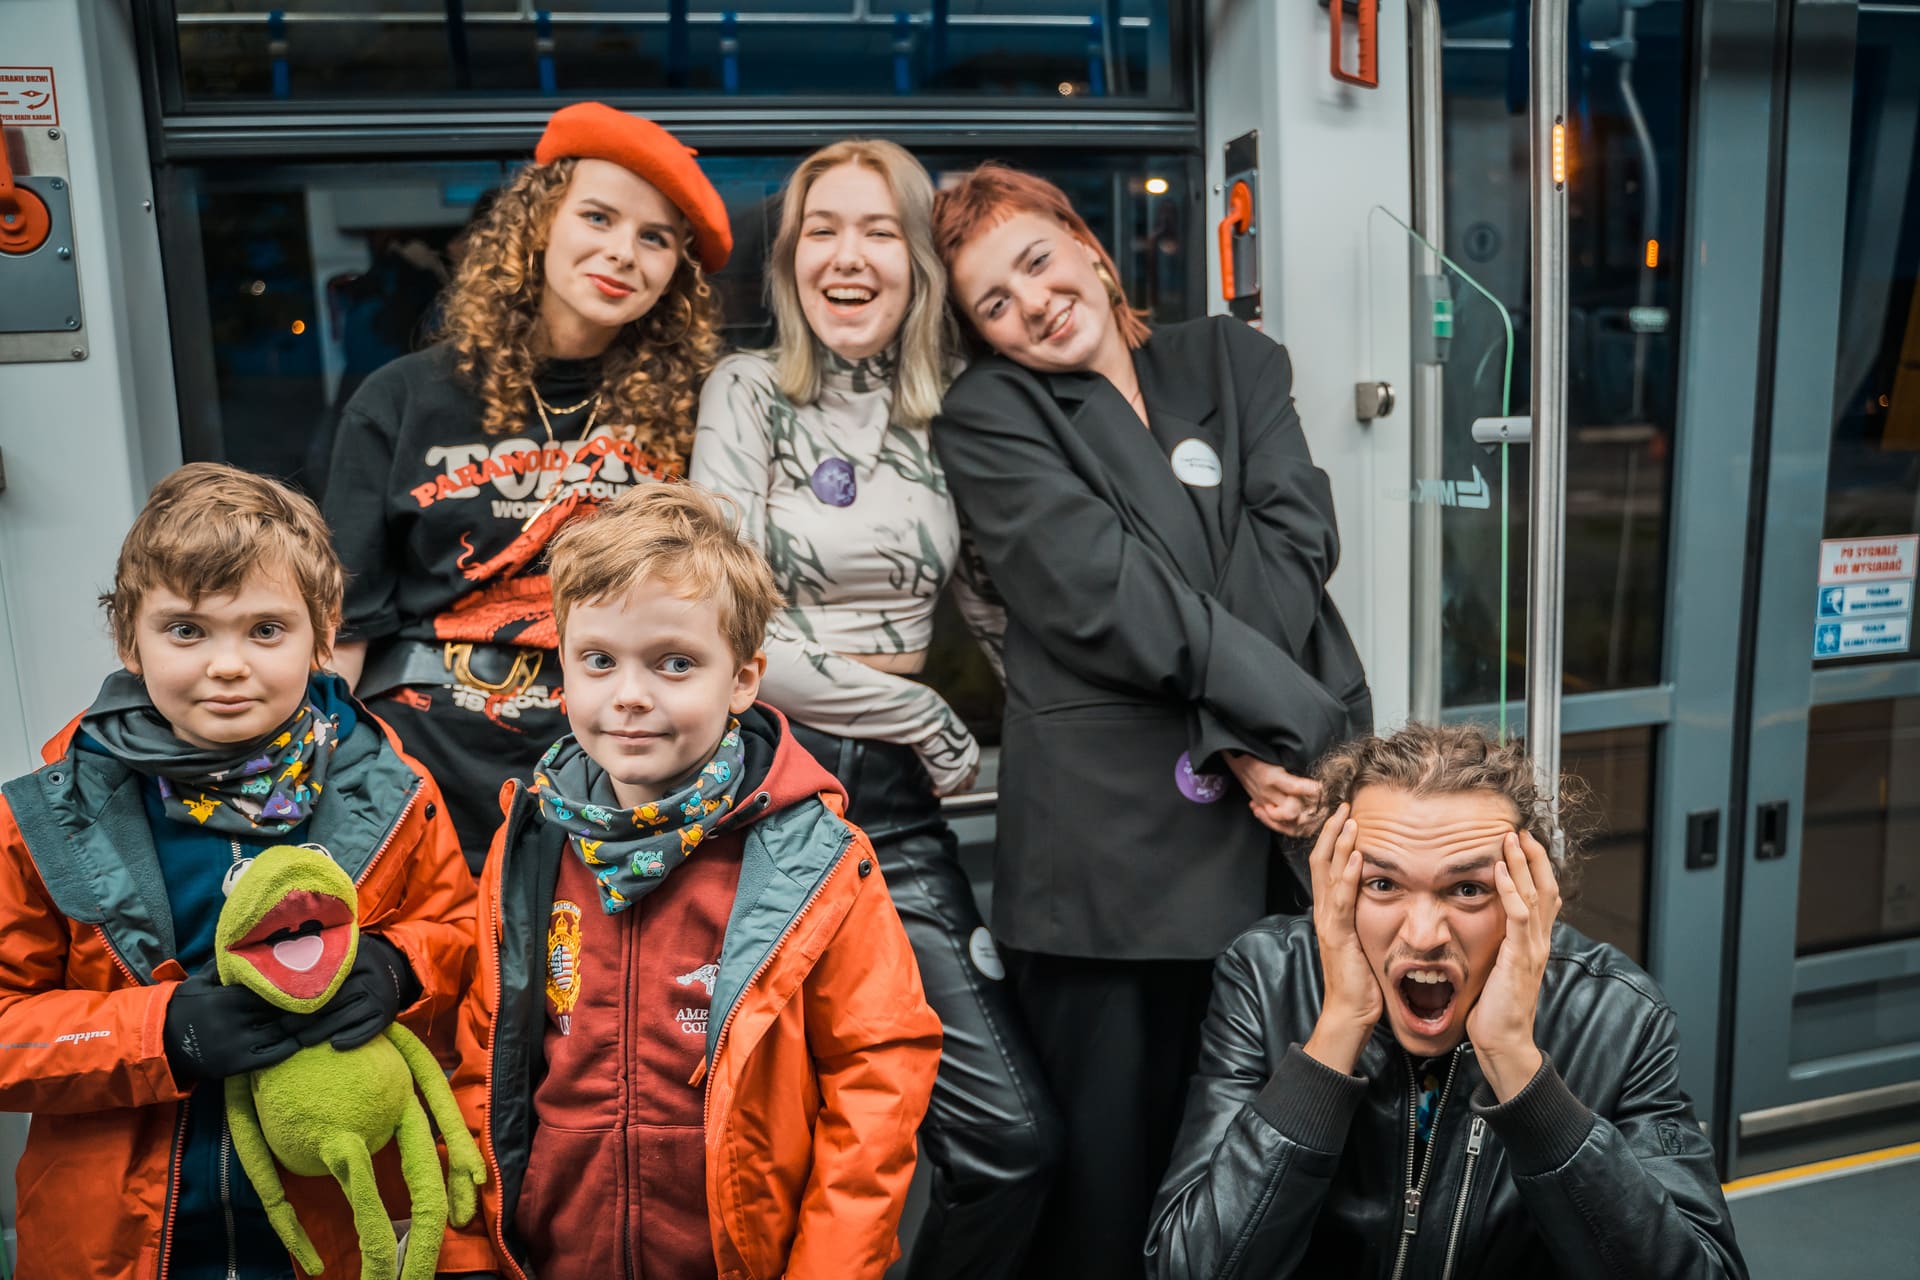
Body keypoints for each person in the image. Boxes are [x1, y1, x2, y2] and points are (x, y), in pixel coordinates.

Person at [930, 163, 1373, 1275]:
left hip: (1280, 843)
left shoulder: (1231, 358)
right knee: (1110, 1193)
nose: (1033, 303)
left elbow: (1297, 537)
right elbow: (1104, 594)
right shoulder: (991, 416)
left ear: (1087, 244)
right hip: (1110, 876)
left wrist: (1249, 738)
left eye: (1037, 261)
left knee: (1278, 1169)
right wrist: (1262, 732)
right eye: (995, 302)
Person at [691, 138, 1060, 1280]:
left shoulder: (954, 414)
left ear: (919, 265)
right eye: (822, 230)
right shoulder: (746, 390)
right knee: (762, 1147)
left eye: (878, 230)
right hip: (755, 785)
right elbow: (727, 630)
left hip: (891, 806)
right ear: (790, 260)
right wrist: (925, 717)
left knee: (1010, 1143)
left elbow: (998, 615)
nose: (847, 256)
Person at [436, 484, 943, 1280]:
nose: (631, 695)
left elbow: (878, 1077)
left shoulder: (816, 859)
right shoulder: (528, 845)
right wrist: (467, 1252)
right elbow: (482, 1056)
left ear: (742, 679)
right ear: (563, 668)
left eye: (675, 663)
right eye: (599, 661)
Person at [0, 463, 476, 1279]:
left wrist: (402, 969)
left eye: (265, 630)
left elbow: (468, 945)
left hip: (336, 1233)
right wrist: (160, 1034)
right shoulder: (46, 819)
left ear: (322, 635)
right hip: (117, 1245)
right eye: (187, 630)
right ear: (129, 640)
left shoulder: (395, 795)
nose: (227, 664)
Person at [1146, 724, 1748, 1279]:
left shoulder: (1616, 1016)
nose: (1423, 934)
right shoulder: (1266, 977)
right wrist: (1337, 1032)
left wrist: (1518, 1067)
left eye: (1467, 889)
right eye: (1383, 884)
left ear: (1529, 896)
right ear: (1335, 886)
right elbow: (1189, 1268)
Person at [324, 101, 731, 871]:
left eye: (655, 238)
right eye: (598, 217)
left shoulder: (701, 410)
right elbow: (344, 631)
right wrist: (324, 785)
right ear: (539, 222)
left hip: (624, 784)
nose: (622, 253)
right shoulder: (403, 398)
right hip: (422, 777)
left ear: (676, 272)